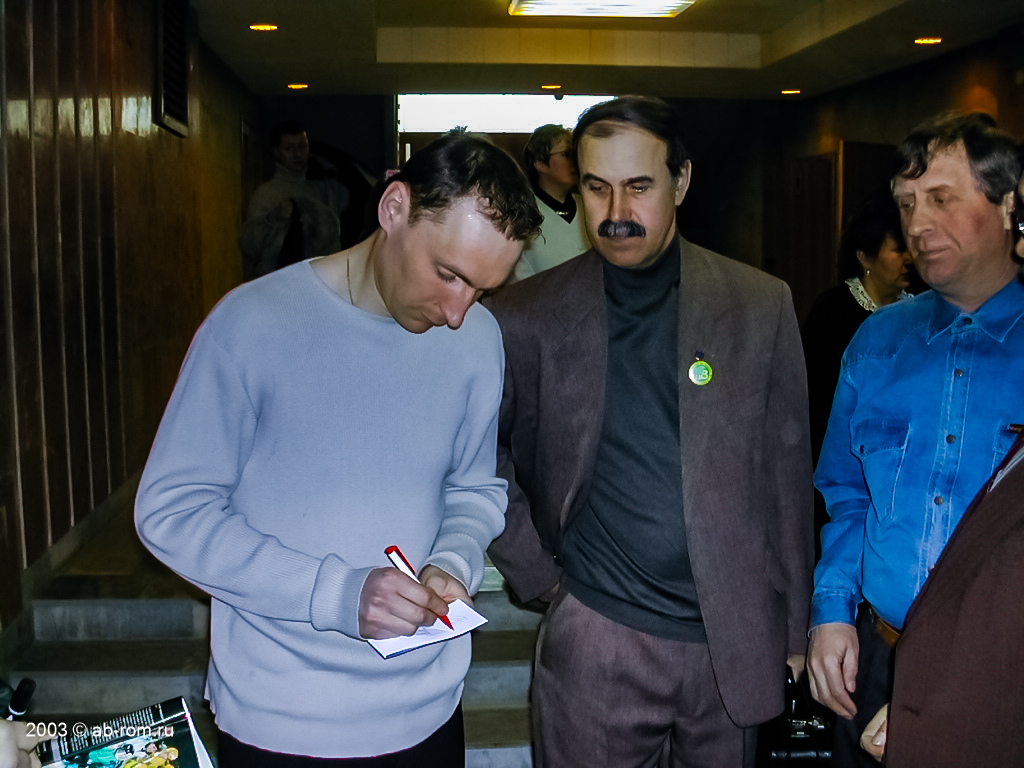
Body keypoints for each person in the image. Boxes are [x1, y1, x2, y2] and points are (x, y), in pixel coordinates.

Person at [135, 131, 542, 766]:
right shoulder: (251, 324)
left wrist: (453, 561)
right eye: (448, 275)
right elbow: (171, 512)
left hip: (429, 709)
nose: (458, 312)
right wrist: (337, 594)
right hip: (281, 721)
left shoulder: (477, 339)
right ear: (394, 208)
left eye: (482, 290)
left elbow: (473, 488)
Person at [485, 96, 814, 767]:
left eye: (638, 187)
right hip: (597, 632)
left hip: (729, 645)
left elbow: (785, 477)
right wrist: (540, 576)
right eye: (596, 188)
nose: (615, 212)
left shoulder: (760, 305)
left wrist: (793, 628)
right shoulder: (525, 316)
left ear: (681, 181)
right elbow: (479, 454)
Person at [807, 111, 1024, 768]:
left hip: (1003, 676)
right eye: (906, 204)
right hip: (878, 655)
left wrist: (954, 694)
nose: (918, 224)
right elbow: (848, 493)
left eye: (941, 199)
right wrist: (832, 610)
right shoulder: (877, 341)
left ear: (1008, 204)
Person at [801, 190, 913, 556]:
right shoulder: (833, 313)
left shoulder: (919, 313)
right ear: (865, 256)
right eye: (898, 249)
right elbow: (819, 403)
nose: (909, 258)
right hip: (847, 459)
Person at [238, 120, 350, 280]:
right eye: (289, 148)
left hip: (320, 280)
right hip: (279, 284)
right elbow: (248, 246)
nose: (297, 154)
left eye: (302, 146)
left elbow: (333, 240)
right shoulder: (267, 194)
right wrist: (271, 218)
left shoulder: (322, 189)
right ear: (277, 152)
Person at [512, 124, 591, 281]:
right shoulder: (523, 214)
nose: (575, 161)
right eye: (566, 154)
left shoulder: (589, 205)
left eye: (576, 153)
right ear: (540, 163)